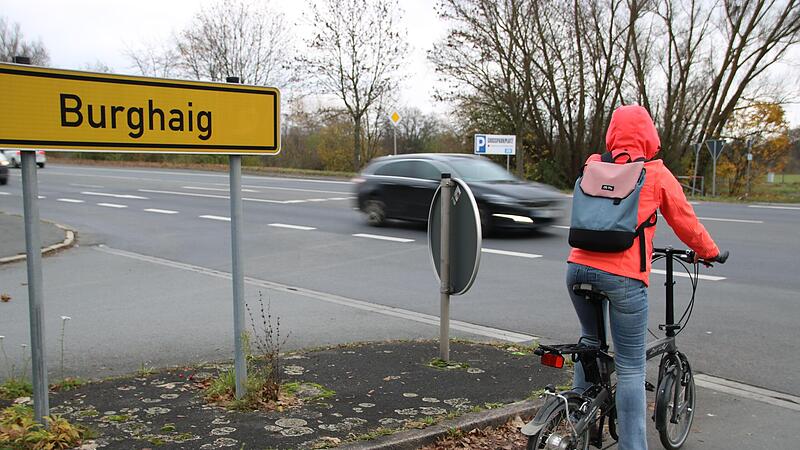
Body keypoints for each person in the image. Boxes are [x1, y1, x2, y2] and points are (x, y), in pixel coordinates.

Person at [567, 105, 720, 450]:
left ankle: (577, 418)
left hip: (576, 269)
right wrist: (709, 252)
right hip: (622, 278)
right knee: (632, 367)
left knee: (589, 343)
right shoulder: (655, 173)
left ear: (612, 134)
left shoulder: (593, 166)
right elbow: (686, 223)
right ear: (650, 135)